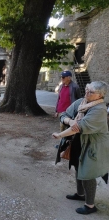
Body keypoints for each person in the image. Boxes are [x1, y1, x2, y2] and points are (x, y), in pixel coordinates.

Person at [52, 81, 109, 215]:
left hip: (93, 145)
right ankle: (80, 194)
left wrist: (60, 135)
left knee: (87, 173)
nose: (87, 93)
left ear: (100, 96)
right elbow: (64, 114)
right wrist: (70, 121)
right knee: (78, 166)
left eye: (91, 92)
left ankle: (90, 205)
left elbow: (79, 128)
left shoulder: (99, 110)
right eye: (87, 89)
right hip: (78, 141)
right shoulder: (81, 103)